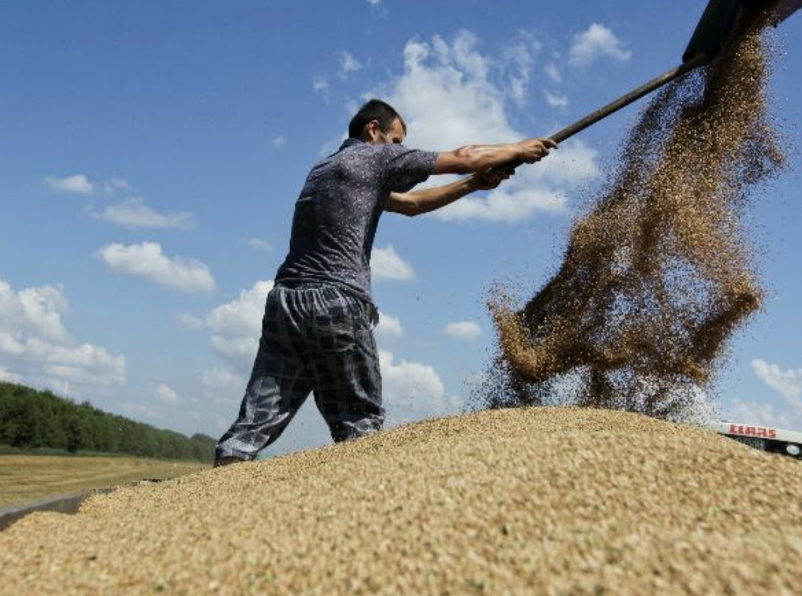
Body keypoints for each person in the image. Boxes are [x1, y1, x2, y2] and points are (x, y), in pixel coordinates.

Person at [214, 98, 556, 465]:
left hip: (285, 303)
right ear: (373, 130)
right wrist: (519, 148)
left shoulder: (325, 168)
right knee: (360, 424)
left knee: (255, 421)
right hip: (336, 299)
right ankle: (364, 508)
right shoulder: (374, 157)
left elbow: (411, 205)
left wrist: (474, 184)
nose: (400, 150)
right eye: (397, 140)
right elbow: (465, 154)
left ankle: (221, 481)